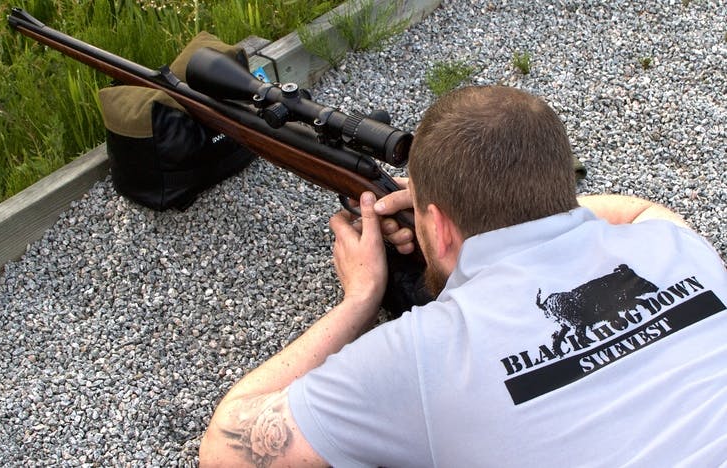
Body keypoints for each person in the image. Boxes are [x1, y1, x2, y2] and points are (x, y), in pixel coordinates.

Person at [198, 86, 727, 467]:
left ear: (438, 227)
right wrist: (490, 212)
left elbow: (226, 450)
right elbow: (637, 209)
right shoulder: (672, 246)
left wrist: (359, 299)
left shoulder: (425, 352)